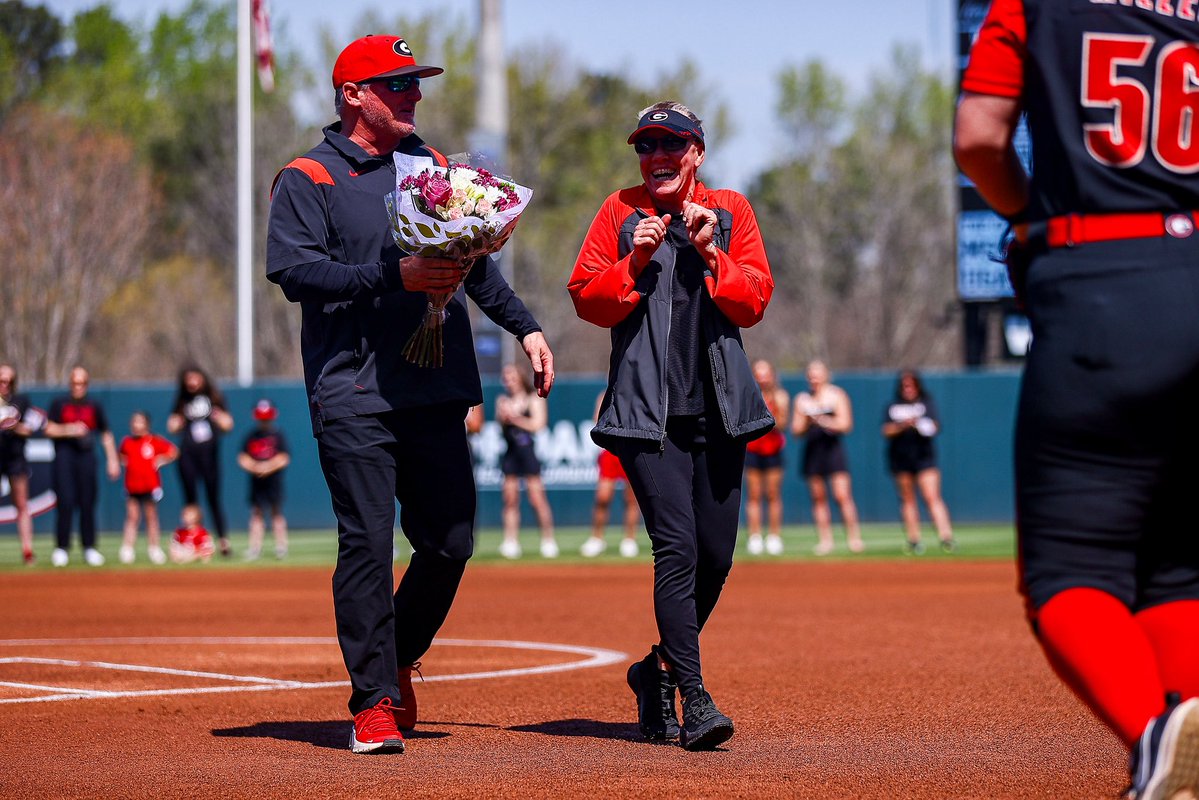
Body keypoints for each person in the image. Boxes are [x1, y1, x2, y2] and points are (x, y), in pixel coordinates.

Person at [266, 34, 554, 756]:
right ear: (352, 95)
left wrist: (525, 328)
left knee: (451, 542)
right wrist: (393, 277)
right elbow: (296, 273)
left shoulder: (427, 165)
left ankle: (397, 656)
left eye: (415, 83)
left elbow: (471, 263)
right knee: (367, 543)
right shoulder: (308, 176)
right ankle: (373, 701)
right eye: (396, 84)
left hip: (433, 386)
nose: (413, 94)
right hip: (354, 389)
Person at [954, 3, 1199, 795]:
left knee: (1068, 569)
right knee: (1176, 567)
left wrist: (1026, 217)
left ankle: (1155, 740)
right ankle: (1185, 736)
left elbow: (979, 139)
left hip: (1103, 284)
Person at [568, 101, 774, 751]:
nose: (657, 156)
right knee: (677, 549)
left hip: (720, 412)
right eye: (646, 146)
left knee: (715, 557)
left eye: (672, 144)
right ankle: (695, 696)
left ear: (696, 153)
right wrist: (632, 262)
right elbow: (587, 300)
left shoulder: (729, 211)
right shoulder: (618, 212)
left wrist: (712, 253)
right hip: (646, 418)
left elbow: (753, 301)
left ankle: (654, 670)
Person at [44, 366, 119, 567]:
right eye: (75, 383)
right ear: (70, 383)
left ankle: (89, 547)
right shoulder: (59, 403)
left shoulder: (94, 405)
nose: (78, 387)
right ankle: (62, 548)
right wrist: (69, 429)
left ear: (87, 384)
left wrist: (112, 460)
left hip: (86, 457)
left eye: (82, 383)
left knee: (88, 502)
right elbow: (48, 428)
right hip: (64, 456)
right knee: (66, 501)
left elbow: (105, 433)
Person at [791, 360, 864, 556]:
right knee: (818, 497)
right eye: (810, 375)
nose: (813, 379)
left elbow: (846, 424)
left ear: (825, 375)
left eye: (817, 375)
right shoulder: (802, 399)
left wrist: (824, 420)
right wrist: (807, 421)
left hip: (833, 451)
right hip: (813, 452)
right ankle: (825, 541)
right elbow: (796, 430)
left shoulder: (837, 395)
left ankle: (854, 539)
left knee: (842, 495)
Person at [881, 370, 954, 555]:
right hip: (901, 459)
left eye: (911, 385)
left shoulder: (926, 403)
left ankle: (946, 538)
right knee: (907, 499)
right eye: (905, 385)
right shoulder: (893, 406)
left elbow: (935, 426)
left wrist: (918, 424)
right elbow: (886, 430)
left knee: (932, 496)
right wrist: (902, 425)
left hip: (924, 458)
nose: (908, 389)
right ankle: (914, 540)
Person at [167, 365, 234, 557]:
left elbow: (228, 425)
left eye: (195, 378)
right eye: (189, 379)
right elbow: (171, 426)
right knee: (191, 499)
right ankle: (194, 541)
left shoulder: (214, 398)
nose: (192, 383)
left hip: (209, 456)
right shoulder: (182, 400)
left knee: (213, 498)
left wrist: (218, 417)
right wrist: (178, 421)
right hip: (188, 455)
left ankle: (222, 540)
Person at [496, 363, 557, 559]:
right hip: (510, 453)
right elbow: (500, 426)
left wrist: (515, 418)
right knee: (510, 499)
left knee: (537, 498)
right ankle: (510, 541)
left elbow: (538, 424)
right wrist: (504, 417)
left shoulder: (533, 398)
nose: (509, 381)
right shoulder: (503, 400)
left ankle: (548, 540)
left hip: (528, 452)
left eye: (512, 377)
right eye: (506, 378)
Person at [581, 392, 641, 559]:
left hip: (631, 446)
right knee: (603, 497)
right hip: (610, 450)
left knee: (631, 498)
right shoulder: (604, 395)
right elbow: (597, 419)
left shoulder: (636, 392)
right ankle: (597, 539)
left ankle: (629, 540)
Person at [117, 411, 178, 565]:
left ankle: (154, 548)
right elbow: (121, 456)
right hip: (132, 485)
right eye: (134, 422)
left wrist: (160, 460)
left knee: (151, 517)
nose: (136, 425)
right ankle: (127, 549)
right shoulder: (127, 442)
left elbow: (173, 451)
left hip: (150, 485)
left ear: (146, 424)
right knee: (132, 517)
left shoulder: (154, 441)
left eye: (140, 422)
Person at [744, 359, 789, 556]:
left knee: (772, 493)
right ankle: (754, 537)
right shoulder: (747, 395)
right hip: (752, 449)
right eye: (758, 374)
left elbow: (783, 424)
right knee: (754, 494)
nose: (762, 378)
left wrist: (770, 416)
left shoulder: (780, 396)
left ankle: (774, 537)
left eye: (765, 374)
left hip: (773, 449)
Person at [237, 399, 290, 561]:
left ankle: (281, 547)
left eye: (266, 418)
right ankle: (255, 548)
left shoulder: (278, 435)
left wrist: (268, 467)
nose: (264, 421)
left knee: (276, 513)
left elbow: (284, 457)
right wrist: (255, 467)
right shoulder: (252, 436)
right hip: (257, 481)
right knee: (256, 514)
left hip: (273, 481)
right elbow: (242, 457)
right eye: (261, 418)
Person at [0, 365, 36, 565]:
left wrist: (14, 425)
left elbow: (29, 429)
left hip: (15, 458)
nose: (4, 384)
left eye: (8, 381)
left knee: (21, 503)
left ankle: (27, 551)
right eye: (1, 380)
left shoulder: (21, 401)